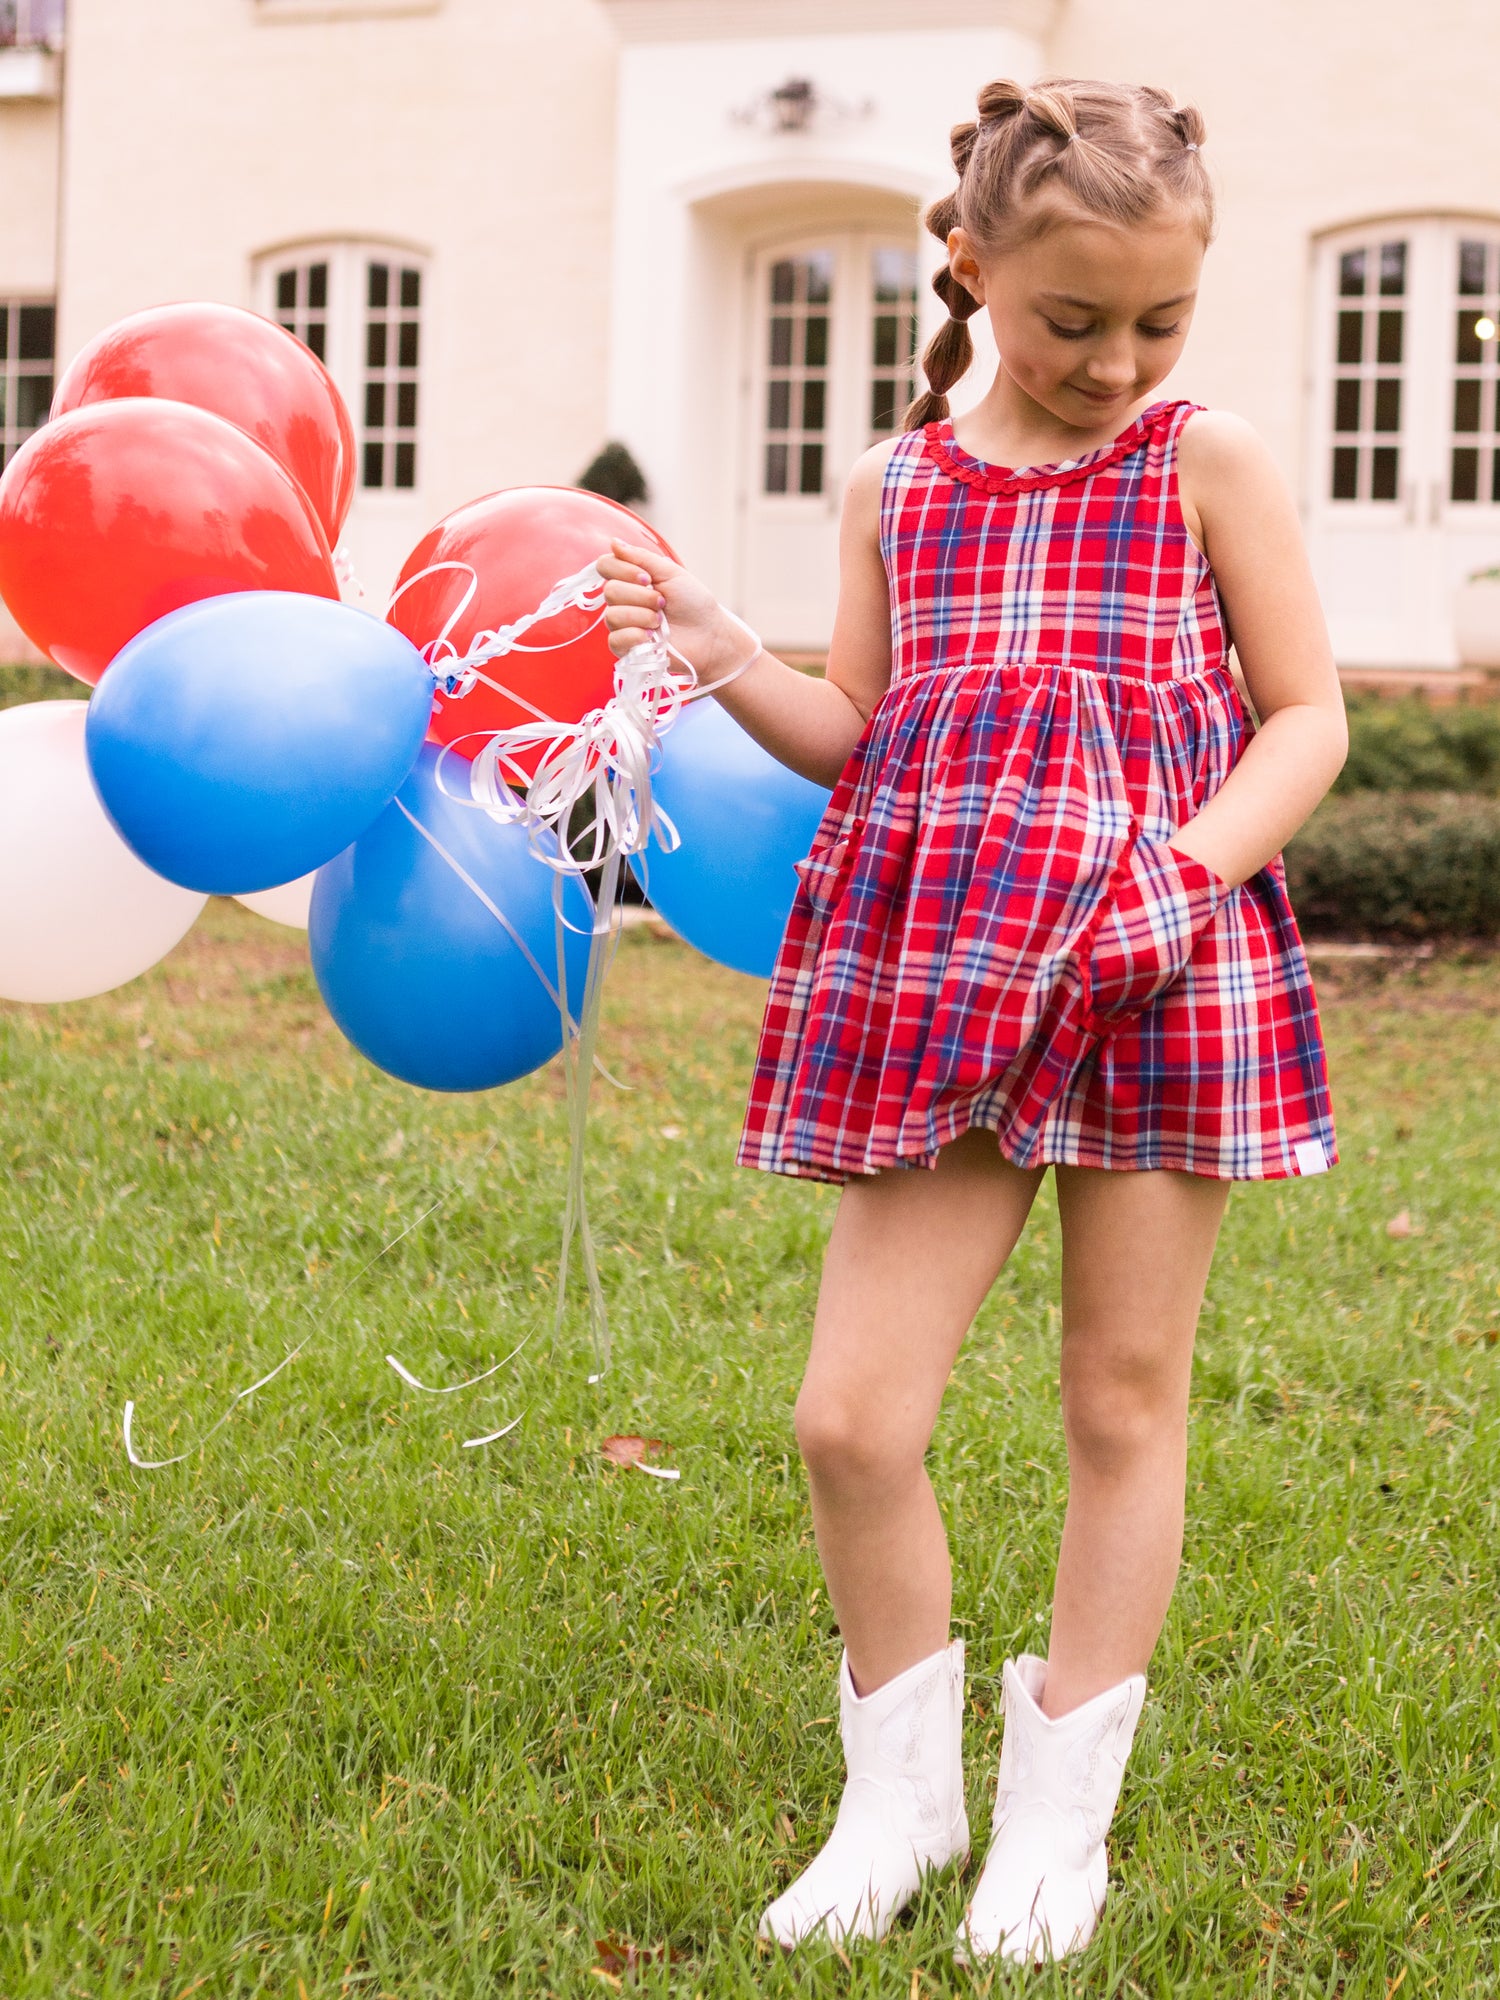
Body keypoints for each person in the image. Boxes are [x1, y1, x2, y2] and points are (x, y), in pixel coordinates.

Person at [598, 75, 1345, 1968]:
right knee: (851, 1417)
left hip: (1160, 966)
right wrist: (724, 649)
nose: (1116, 362)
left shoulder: (1205, 459)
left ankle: (1055, 1828)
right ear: (972, 266)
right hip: (947, 980)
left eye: (1158, 322)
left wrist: (1182, 880)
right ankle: (899, 1798)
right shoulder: (898, 484)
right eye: (1070, 320)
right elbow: (865, 734)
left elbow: (1305, 717)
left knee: (1120, 1395)